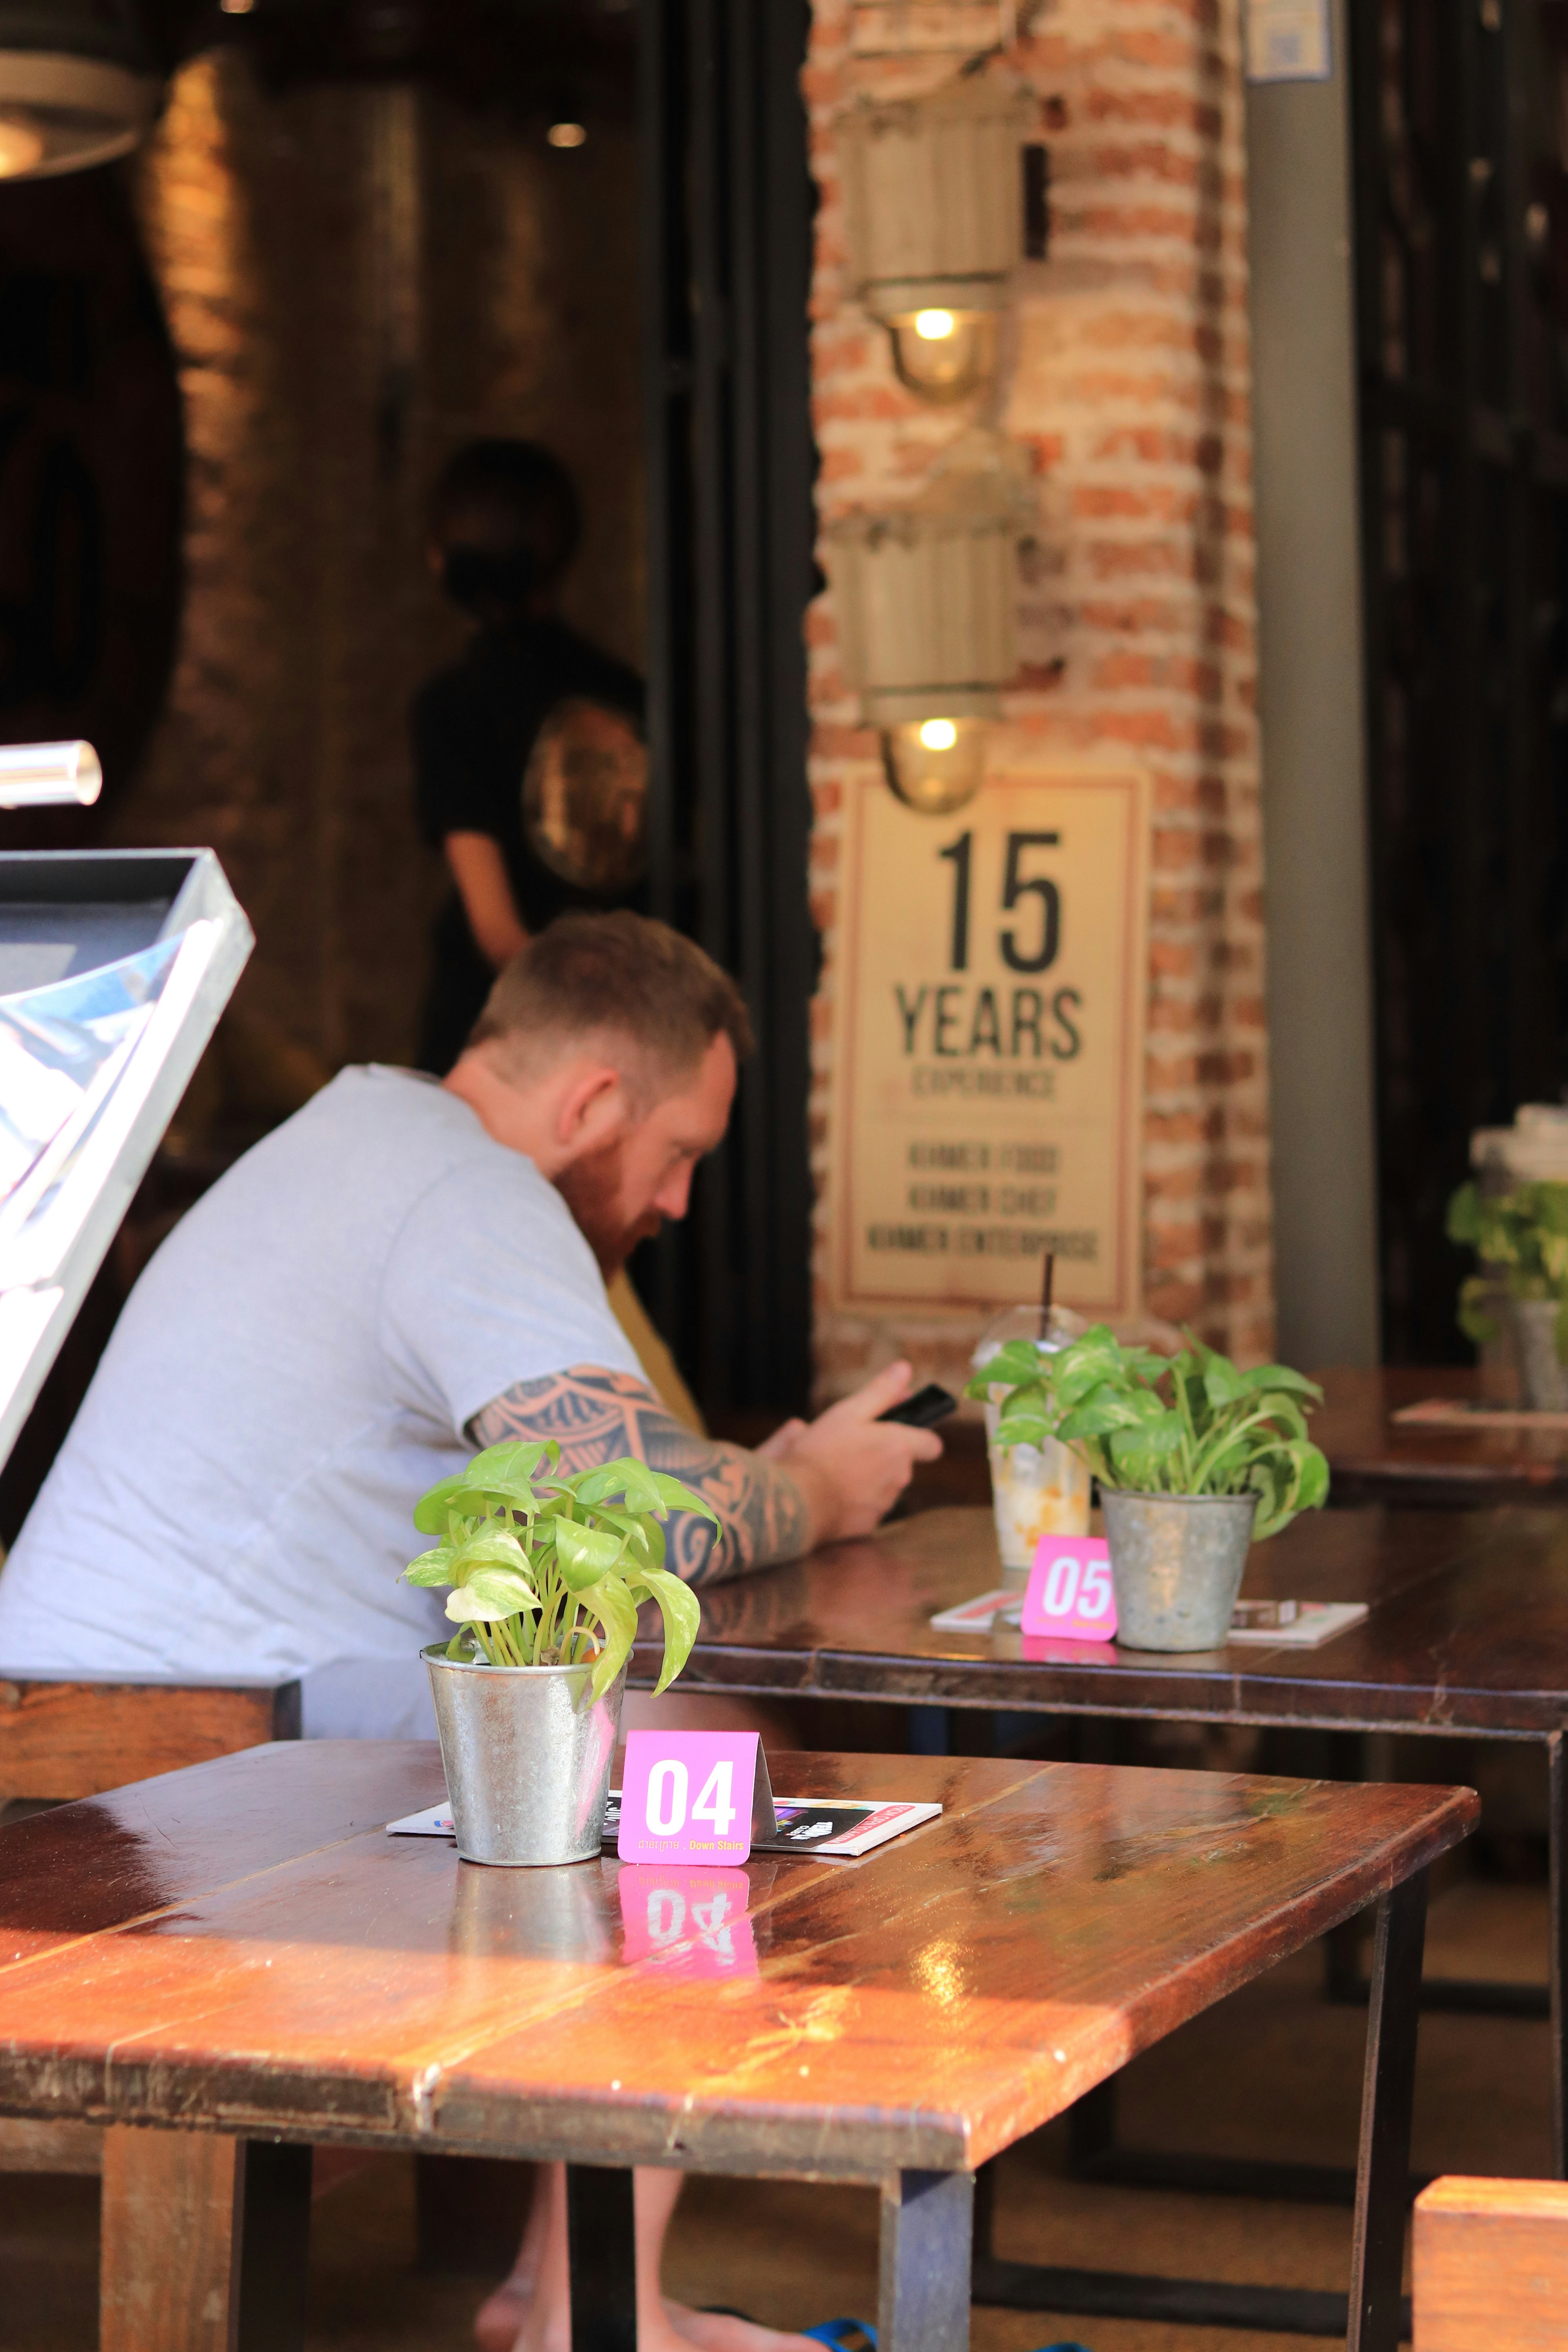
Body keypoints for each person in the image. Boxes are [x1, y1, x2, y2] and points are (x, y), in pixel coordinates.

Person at [0, 911, 940, 2352]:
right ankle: (587, 2315)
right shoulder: (470, 1189)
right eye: (679, 1152)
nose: (679, 1200)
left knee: (606, 1729)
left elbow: (613, 1483)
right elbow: (637, 1513)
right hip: (175, 1754)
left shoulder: (373, 1137)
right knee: (693, 1748)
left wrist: (767, 1477)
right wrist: (814, 1491)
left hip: (129, 1715)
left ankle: (562, 2291)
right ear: (594, 1101)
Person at [413, 438, 648, 1076]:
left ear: (442, 557)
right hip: (631, 1011)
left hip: (505, 1031)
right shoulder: (631, 696)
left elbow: (497, 930)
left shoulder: (454, 704)